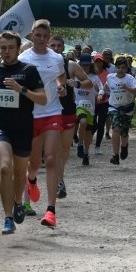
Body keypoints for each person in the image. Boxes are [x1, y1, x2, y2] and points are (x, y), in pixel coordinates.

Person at [0, 31, 47, 234]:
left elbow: (43, 99)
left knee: (20, 172)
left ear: (18, 49)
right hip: (1, 126)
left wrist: (22, 90)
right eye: (3, 48)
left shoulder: (29, 70)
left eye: (11, 48)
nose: (7, 51)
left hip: (23, 128)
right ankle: (8, 217)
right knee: (4, 168)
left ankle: (18, 201)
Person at [18, 19, 67, 228]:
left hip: (53, 111)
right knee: (34, 162)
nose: (41, 39)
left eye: (45, 36)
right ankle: (31, 180)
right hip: (31, 114)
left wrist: (61, 86)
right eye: (37, 35)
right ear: (31, 35)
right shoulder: (23, 58)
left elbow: (61, 77)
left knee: (51, 158)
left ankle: (51, 211)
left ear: (49, 37)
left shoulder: (56, 58)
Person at [49, 34, 93, 198]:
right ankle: (55, 180)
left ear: (63, 48)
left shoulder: (71, 65)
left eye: (59, 46)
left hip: (67, 110)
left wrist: (77, 83)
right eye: (52, 46)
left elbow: (89, 82)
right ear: (48, 46)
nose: (56, 49)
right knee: (51, 150)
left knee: (64, 148)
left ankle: (60, 178)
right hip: (47, 111)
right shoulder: (40, 64)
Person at [105, 56, 136, 165]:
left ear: (127, 68)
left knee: (124, 133)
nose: (121, 70)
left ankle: (124, 146)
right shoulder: (110, 77)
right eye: (119, 67)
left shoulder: (130, 78)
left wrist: (127, 88)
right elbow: (107, 86)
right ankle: (115, 155)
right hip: (114, 107)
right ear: (115, 67)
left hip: (127, 107)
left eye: (123, 68)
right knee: (116, 128)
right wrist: (101, 93)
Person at [73, 52, 100, 166]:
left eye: (87, 65)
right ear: (79, 65)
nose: (85, 67)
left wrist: (98, 91)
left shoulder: (94, 78)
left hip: (90, 107)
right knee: (82, 122)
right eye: (83, 65)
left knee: (88, 132)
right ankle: (79, 144)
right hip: (79, 105)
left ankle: (86, 153)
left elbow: (100, 91)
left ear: (91, 65)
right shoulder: (75, 76)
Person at [92, 54, 110, 155]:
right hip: (93, 102)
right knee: (93, 124)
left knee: (101, 124)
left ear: (103, 62)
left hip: (104, 101)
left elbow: (109, 88)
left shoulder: (107, 74)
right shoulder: (91, 74)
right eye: (96, 61)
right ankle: (89, 136)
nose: (98, 63)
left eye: (100, 61)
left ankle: (97, 146)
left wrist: (102, 92)